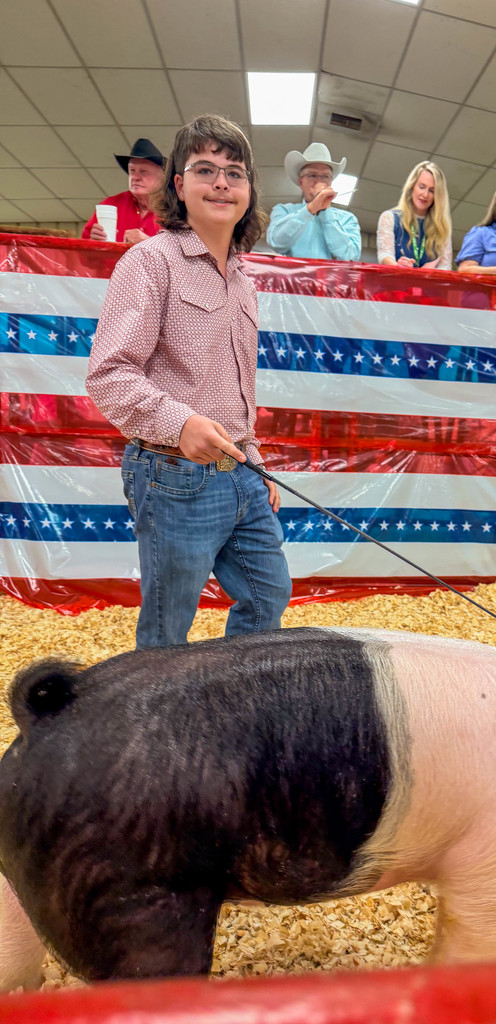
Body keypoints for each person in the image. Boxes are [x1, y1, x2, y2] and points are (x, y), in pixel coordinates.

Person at [86, 114, 292, 650]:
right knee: (167, 624)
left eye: (235, 172)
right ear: (179, 185)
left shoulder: (245, 283)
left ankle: (236, 706)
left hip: (240, 468)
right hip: (173, 473)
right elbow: (109, 374)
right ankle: (157, 729)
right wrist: (180, 423)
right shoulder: (149, 263)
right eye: (205, 169)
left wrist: (257, 462)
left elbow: (238, 386)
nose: (222, 182)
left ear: (249, 192)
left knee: (269, 595)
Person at [266, 142, 361, 261]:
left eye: (325, 176)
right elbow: (277, 243)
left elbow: (350, 257)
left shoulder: (347, 218)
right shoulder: (284, 210)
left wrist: (326, 212)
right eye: (312, 175)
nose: (319, 181)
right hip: (294, 279)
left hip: (331, 280)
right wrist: (310, 209)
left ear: (331, 182)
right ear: (301, 182)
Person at [82, 138, 166, 244]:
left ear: (162, 178)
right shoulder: (110, 206)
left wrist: (148, 243)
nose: (135, 177)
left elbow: (187, 256)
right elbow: (82, 253)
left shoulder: (177, 211)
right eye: (132, 171)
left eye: (143, 171)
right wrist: (92, 242)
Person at [377, 161, 452, 270]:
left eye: (431, 191)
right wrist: (400, 268)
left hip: (427, 286)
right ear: (412, 187)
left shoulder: (442, 230)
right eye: (422, 187)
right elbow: (385, 256)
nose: (425, 195)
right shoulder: (390, 218)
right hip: (394, 284)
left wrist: (424, 274)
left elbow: (445, 268)